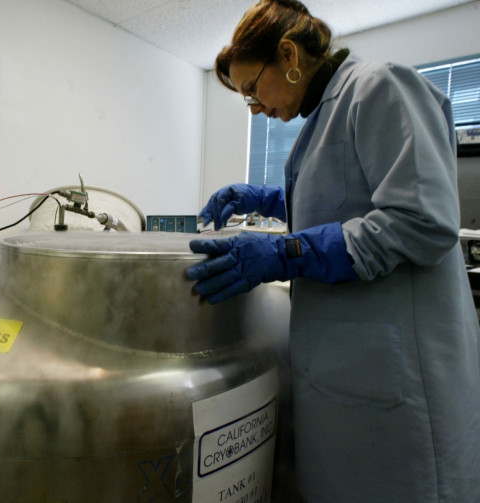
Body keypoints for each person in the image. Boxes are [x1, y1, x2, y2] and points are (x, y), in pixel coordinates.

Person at [185, 0, 480, 501]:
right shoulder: (324, 114)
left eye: (252, 89)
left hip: (399, 378)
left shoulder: (380, 86)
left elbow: (422, 221)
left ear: (287, 53)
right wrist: (268, 198)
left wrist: (287, 253)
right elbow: (345, 197)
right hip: (351, 377)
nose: (255, 108)